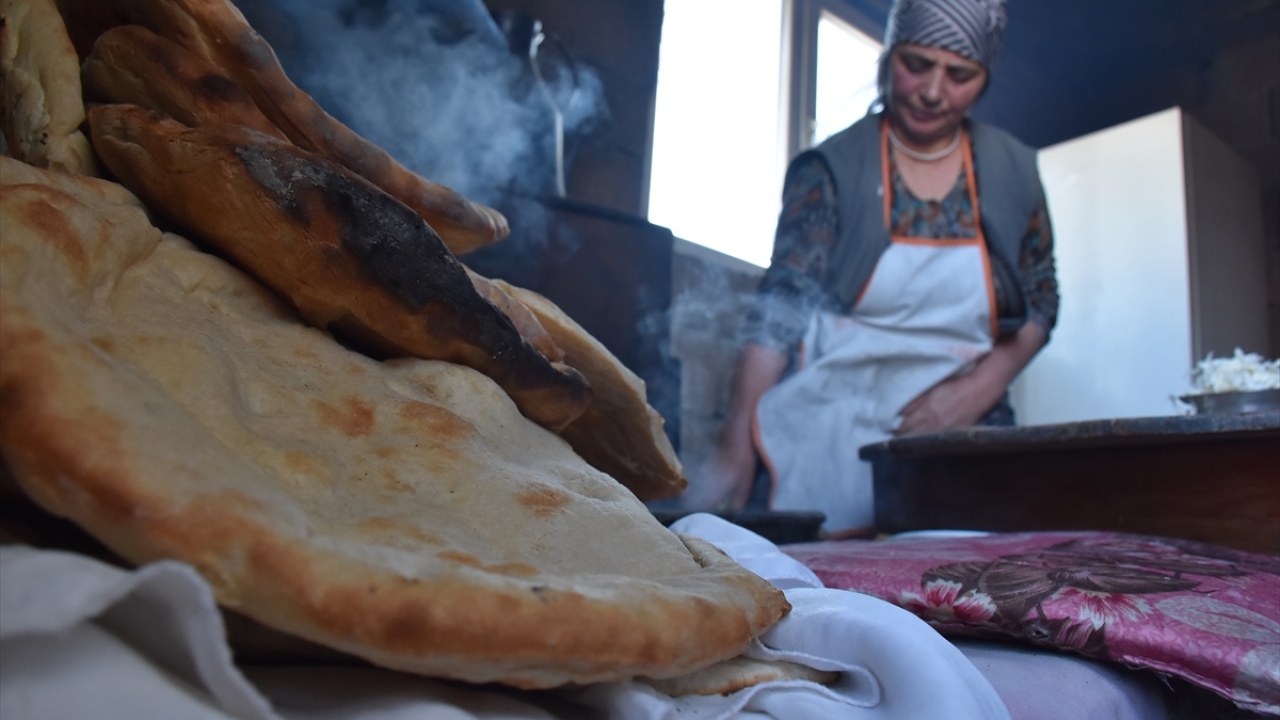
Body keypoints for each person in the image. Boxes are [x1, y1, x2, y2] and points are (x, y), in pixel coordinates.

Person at [687, 0, 1059, 537]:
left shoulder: (1013, 172)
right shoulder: (833, 169)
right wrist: (734, 444)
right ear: (888, 57)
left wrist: (978, 389)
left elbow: (1043, 299)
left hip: (963, 423)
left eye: (959, 75)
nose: (933, 91)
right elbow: (781, 307)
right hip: (833, 415)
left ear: (984, 78)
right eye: (916, 64)